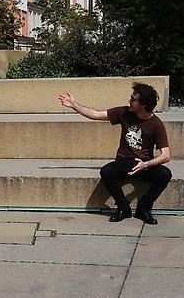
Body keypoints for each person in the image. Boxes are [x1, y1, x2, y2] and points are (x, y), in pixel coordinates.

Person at [58, 82, 172, 225]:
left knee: (165, 174)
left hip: (144, 163)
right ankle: (123, 208)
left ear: (143, 105)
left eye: (133, 99)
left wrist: (146, 164)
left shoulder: (156, 124)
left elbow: (166, 155)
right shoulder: (125, 112)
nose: (129, 101)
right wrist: (75, 105)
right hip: (125, 161)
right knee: (106, 172)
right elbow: (96, 115)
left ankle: (144, 208)